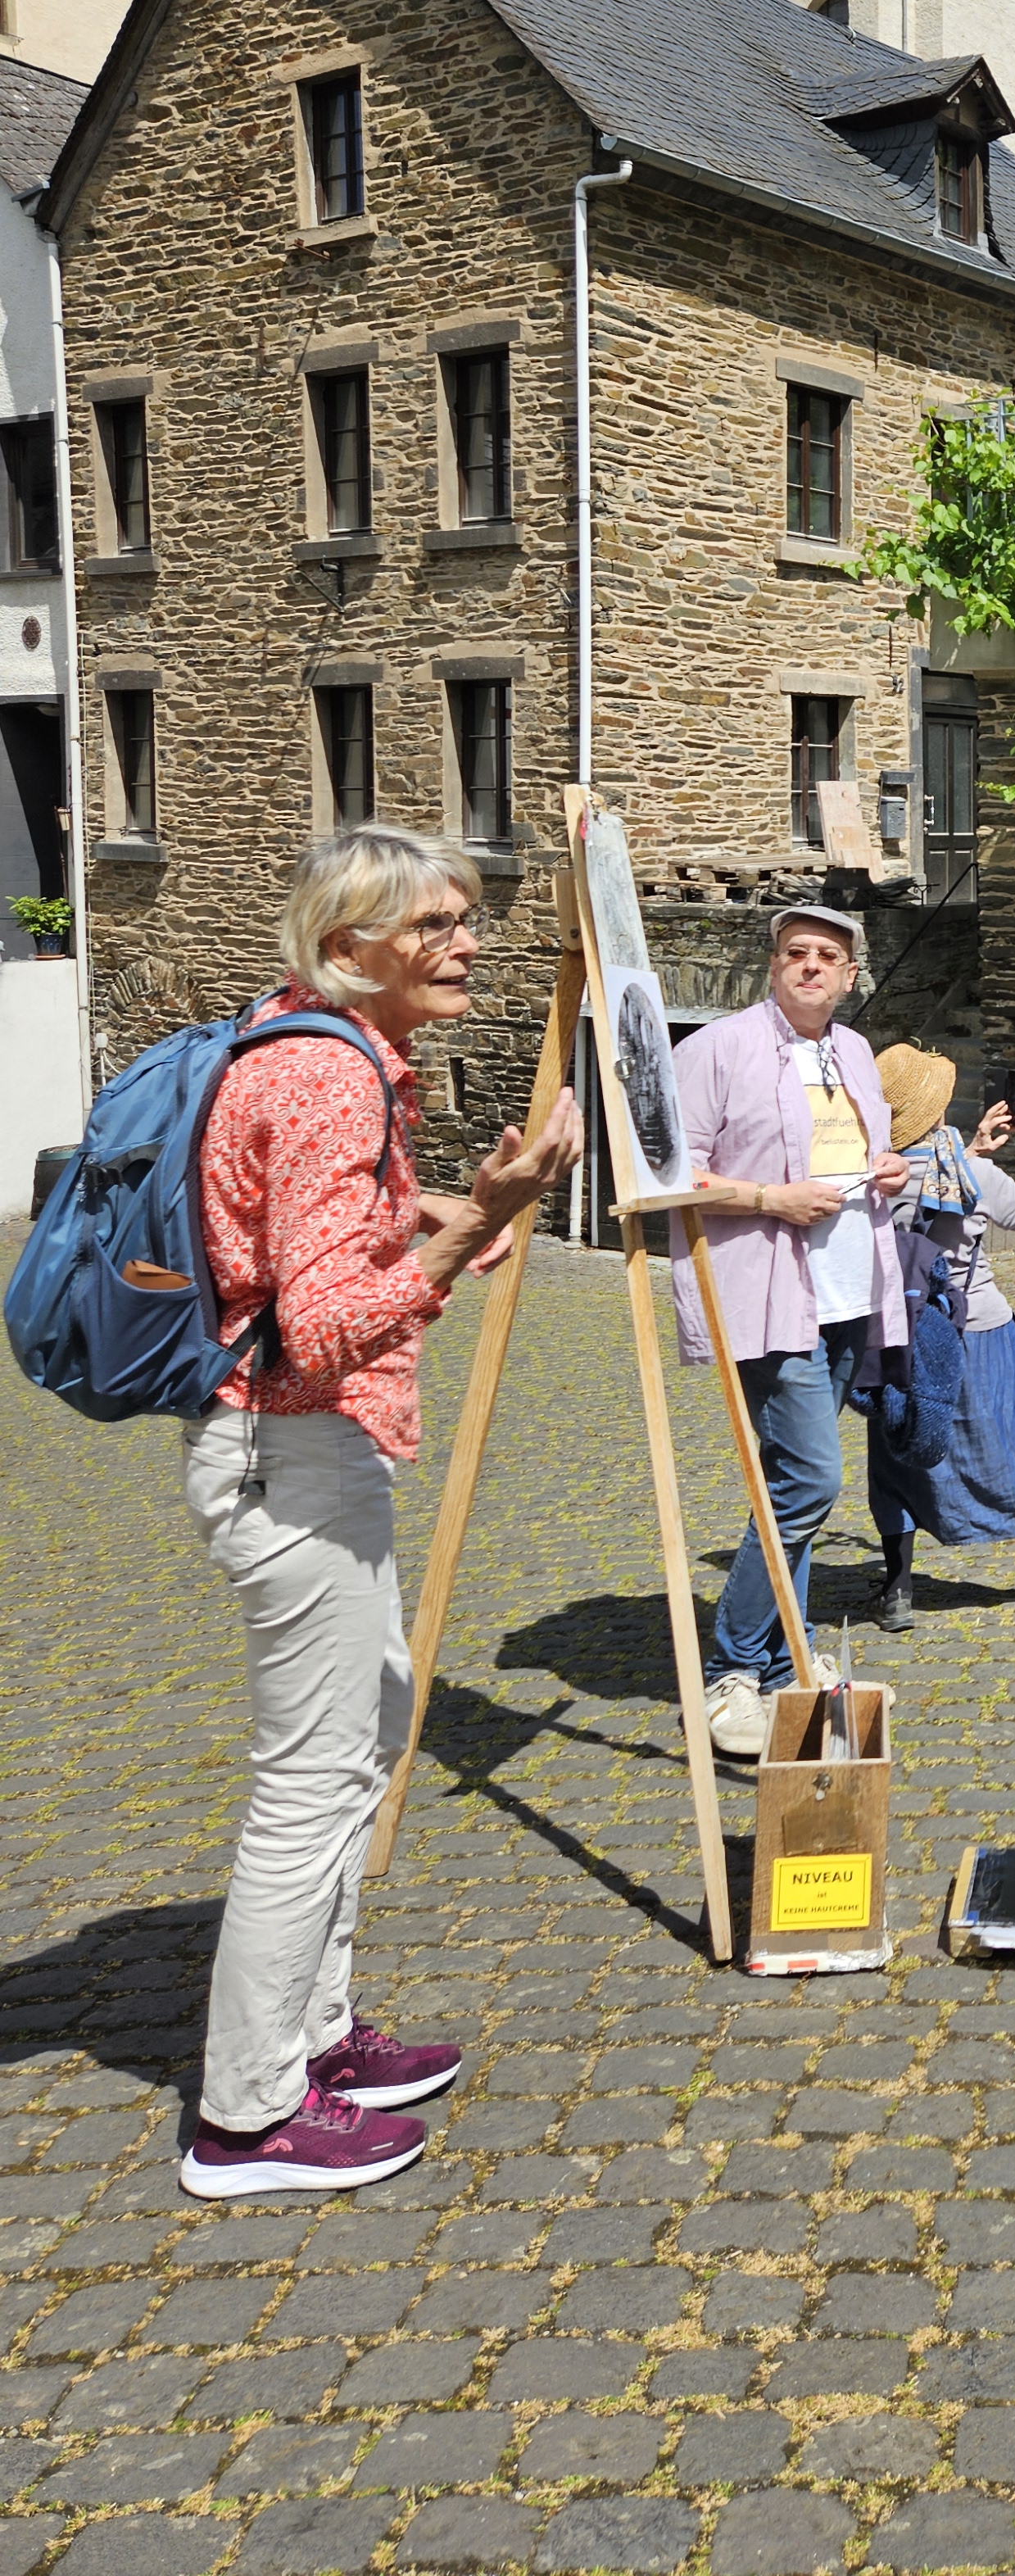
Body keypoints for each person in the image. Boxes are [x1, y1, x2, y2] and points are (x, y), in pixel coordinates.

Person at [179, 831, 582, 2199]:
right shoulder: (324, 1075)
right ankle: (246, 2116)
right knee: (310, 1781)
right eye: (434, 926)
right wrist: (474, 1228)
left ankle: (317, 2036)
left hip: (307, 1451)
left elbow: (315, 1233)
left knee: (363, 1745)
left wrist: (444, 1206)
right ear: (351, 947)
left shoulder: (311, 1045)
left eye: (465, 919)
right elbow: (323, 1326)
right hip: (289, 1452)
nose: (465, 943)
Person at [675, 902, 912, 1758]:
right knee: (811, 1479)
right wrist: (768, 1199)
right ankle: (734, 1668)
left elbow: (860, 1162)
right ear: (773, 965)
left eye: (827, 956)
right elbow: (666, 1172)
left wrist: (889, 1170)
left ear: (850, 976)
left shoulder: (854, 1054)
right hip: (769, 1296)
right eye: (795, 952)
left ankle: (784, 1661)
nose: (810, 965)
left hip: (847, 1294)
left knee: (789, 1489)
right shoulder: (715, 1049)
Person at [861, 1046, 1015, 1628]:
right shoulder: (971, 1174)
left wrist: (975, 1147)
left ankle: (898, 1591)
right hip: (978, 1329)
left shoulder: (870, 1180)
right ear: (937, 1111)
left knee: (897, 1458)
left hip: (902, 1332)